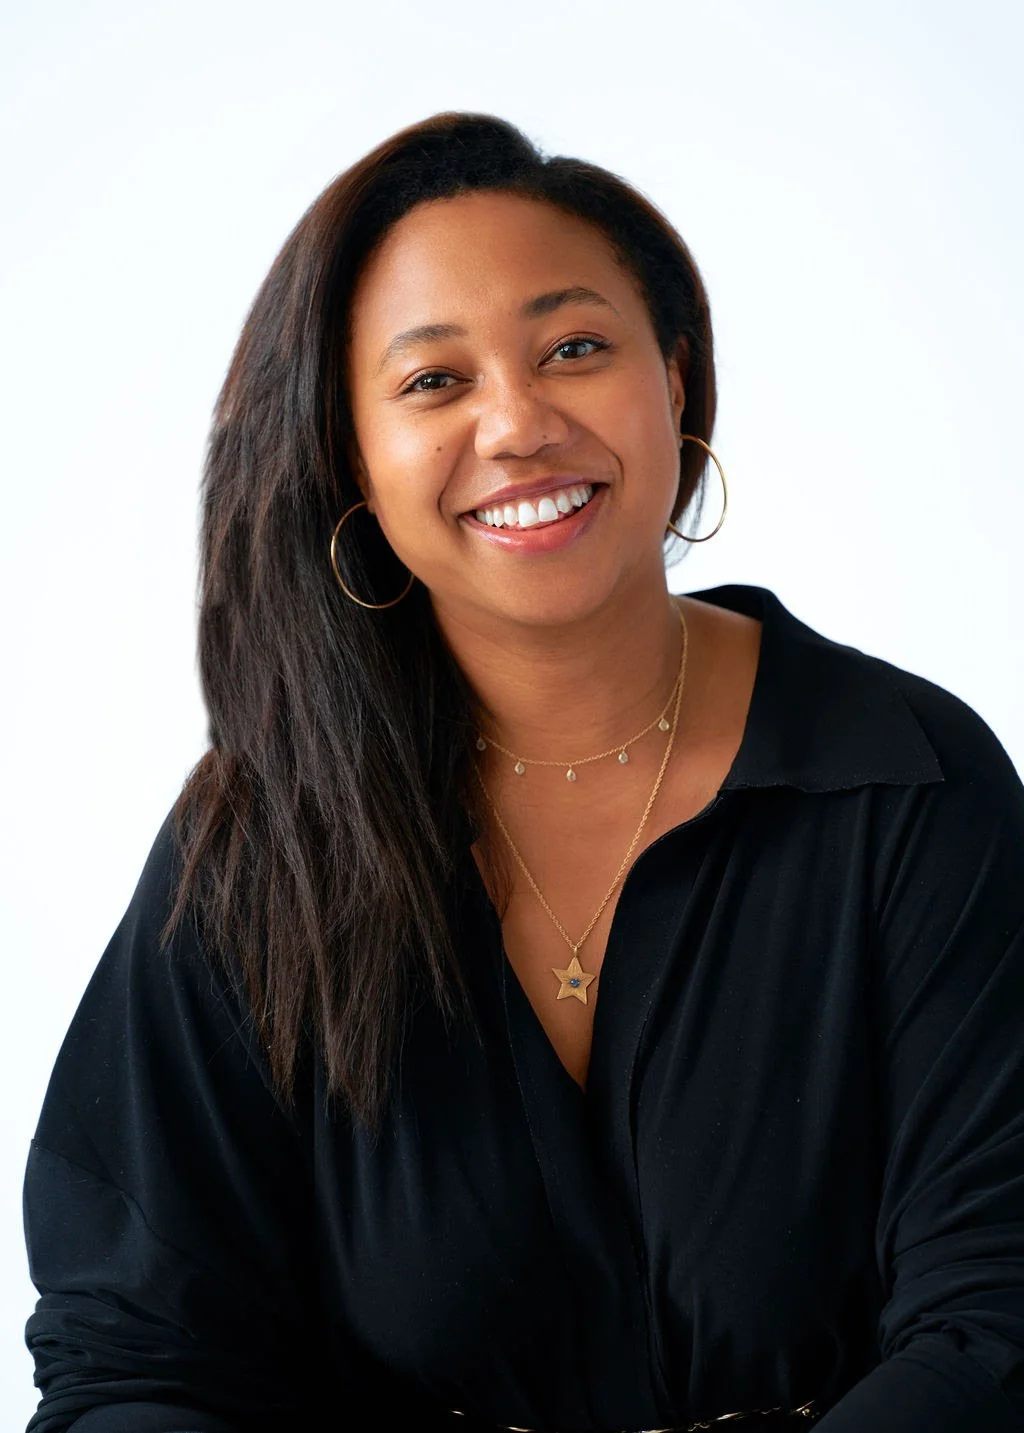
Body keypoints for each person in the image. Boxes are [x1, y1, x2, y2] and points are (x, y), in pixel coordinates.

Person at [22, 111, 1024, 1433]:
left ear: (675, 378)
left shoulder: (907, 786)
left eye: (575, 348)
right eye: (435, 382)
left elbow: (996, 1319)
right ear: (352, 463)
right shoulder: (263, 842)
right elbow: (135, 1356)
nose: (519, 423)